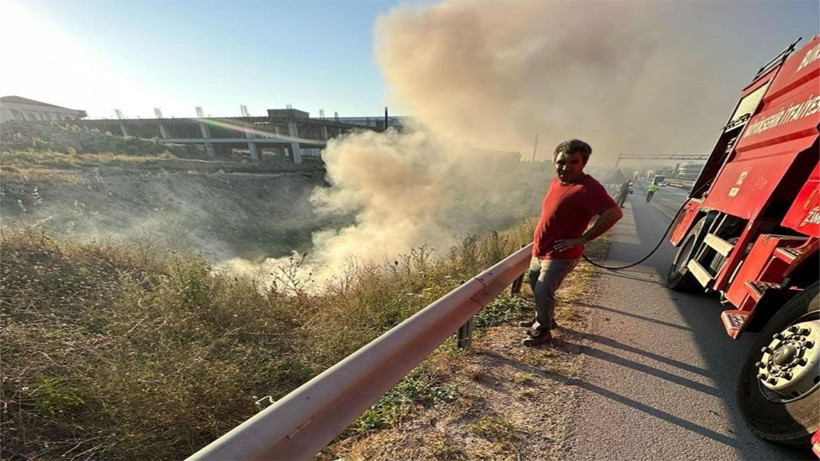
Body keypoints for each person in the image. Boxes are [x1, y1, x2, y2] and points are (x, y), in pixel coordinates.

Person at [521, 139, 623, 346]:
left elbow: (614, 213)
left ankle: (543, 330)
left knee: (543, 290)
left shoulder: (588, 188)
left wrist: (582, 239)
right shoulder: (555, 183)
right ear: (554, 161)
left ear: (583, 163)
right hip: (541, 249)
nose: (565, 167)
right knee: (537, 287)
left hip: (561, 254)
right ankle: (545, 318)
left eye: (572, 162)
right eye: (561, 162)